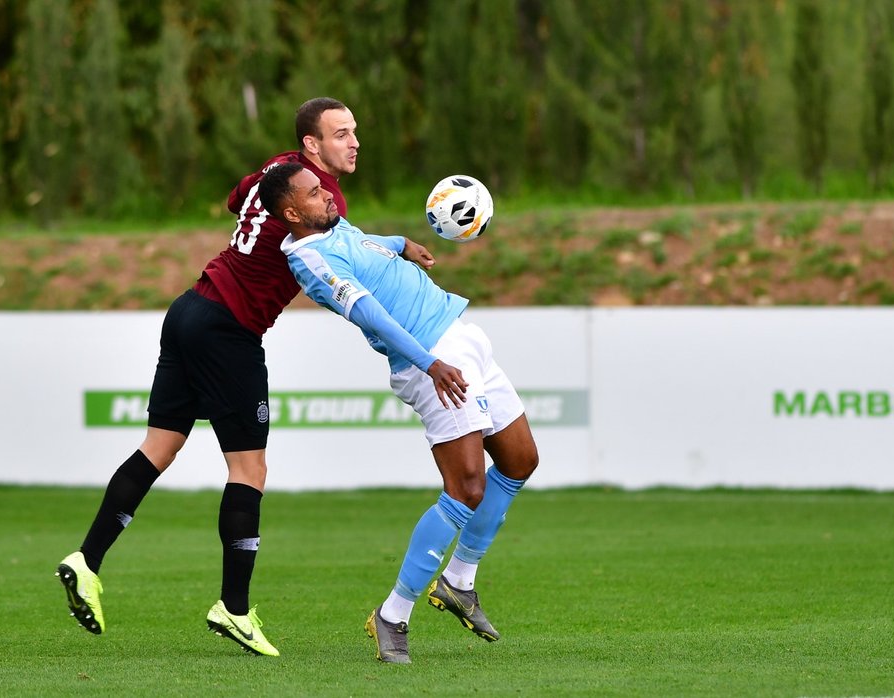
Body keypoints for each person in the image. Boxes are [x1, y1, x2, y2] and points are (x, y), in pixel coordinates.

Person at [55, 97, 359, 657]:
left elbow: (236, 198)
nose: (354, 143)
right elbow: (350, 253)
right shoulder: (322, 198)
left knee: (159, 447)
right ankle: (234, 609)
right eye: (341, 134)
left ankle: (87, 560)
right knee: (249, 467)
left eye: (354, 133)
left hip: (191, 308)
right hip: (229, 330)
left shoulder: (275, 169)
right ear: (312, 147)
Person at [259, 161, 540, 664]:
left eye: (322, 187)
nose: (327, 194)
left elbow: (369, 244)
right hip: (430, 357)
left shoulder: (334, 227)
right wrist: (430, 363)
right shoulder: (311, 259)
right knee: (467, 488)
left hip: (461, 338)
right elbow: (371, 313)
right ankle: (393, 615)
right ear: (289, 211)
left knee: (519, 460)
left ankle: (459, 580)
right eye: (313, 191)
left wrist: (400, 244)